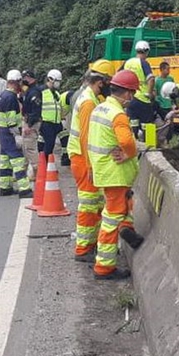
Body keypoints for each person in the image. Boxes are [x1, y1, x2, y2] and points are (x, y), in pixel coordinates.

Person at [87, 69, 144, 281]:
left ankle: (128, 231)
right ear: (127, 93)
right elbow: (128, 143)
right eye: (133, 93)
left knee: (124, 205)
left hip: (103, 170)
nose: (132, 98)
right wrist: (130, 154)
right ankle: (104, 267)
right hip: (115, 173)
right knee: (111, 219)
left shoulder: (100, 108)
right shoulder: (118, 114)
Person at [67, 59, 113, 262]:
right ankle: (83, 249)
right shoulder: (87, 102)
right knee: (88, 205)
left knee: (93, 204)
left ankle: (90, 244)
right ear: (100, 82)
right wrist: (91, 166)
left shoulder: (91, 98)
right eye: (109, 81)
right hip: (83, 159)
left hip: (82, 158)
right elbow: (86, 137)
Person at [0, 70, 33, 198]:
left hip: (3, 132)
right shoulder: (11, 98)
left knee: (5, 161)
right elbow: (12, 120)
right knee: (18, 160)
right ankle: (24, 189)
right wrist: (17, 136)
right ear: (17, 82)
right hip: (10, 133)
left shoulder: (3, 95)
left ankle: (5, 187)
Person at [122, 40, 155, 139]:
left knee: (133, 123)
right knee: (148, 124)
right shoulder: (143, 63)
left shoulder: (127, 62)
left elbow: (119, 75)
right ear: (146, 51)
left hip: (130, 98)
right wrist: (149, 93)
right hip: (143, 98)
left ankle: (134, 144)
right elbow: (151, 79)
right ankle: (150, 145)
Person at [39, 69, 65, 160]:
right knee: (49, 145)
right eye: (57, 81)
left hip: (56, 123)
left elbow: (58, 107)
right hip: (46, 122)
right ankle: (44, 165)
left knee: (51, 145)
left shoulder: (56, 93)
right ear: (50, 79)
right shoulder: (41, 91)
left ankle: (46, 165)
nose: (58, 83)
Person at [20, 69, 42, 176]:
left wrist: (29, 125)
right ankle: (24, 172)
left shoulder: (35, 92)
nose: (23, 80)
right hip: (27, 120)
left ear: (28, 77)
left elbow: (35, 111)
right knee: (26, 148)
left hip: (31, 122)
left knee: (30, 148)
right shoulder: (28, 90)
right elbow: (24, 102)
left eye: (24, 78)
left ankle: (37, 172)